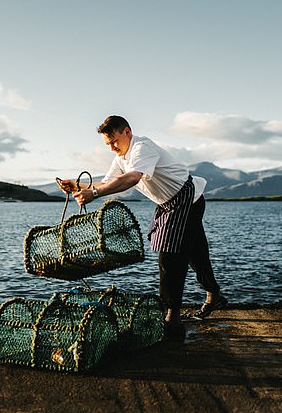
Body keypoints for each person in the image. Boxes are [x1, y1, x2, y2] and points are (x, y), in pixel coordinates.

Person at [60, 115, 226, 340]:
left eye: (114, 141)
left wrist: (95, 194)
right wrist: (76, 185)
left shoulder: (142, 147)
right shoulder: (121, 157)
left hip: (187, 198)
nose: (111, 148)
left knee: (169, 256)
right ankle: (213, 294)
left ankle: (172, 320)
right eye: (107, 144)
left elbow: (132, 179)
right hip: (169, 203)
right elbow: (106, 182)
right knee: (195, 253)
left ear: (127, 132)